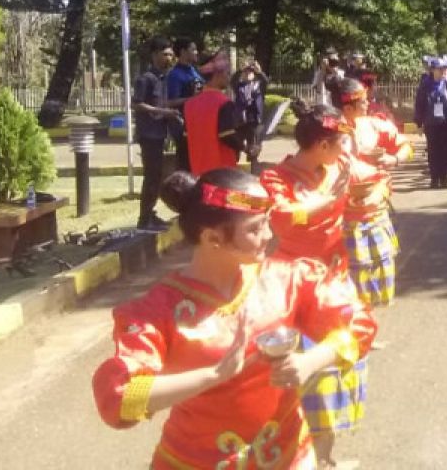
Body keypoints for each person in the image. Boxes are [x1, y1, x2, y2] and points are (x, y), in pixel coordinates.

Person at [92, 167, 376, 470]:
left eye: (267, 222)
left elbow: (358, 322)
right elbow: (118, 398)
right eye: (255, 229)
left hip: (289, 455)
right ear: (213, 238)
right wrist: (213, 375)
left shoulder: (287, 279)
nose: (269, 234)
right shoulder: (157, 311)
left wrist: (312, 360)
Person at [259, 103, 373, 470]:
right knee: (300, 384)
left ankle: (323, 458)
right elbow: (286, 219)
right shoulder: (276, 179)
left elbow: (374, 178)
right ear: (322, 145)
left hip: (336, 281)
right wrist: (329, 198)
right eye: (341, 143)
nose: (346, 150)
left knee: (337, 373)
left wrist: (368, 196)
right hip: (292, 293)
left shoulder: (338, 166)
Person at [336, 78, 413, 308]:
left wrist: (393, 159)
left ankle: (368, 322)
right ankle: (357, 322)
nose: (369, 103)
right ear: (348, 107)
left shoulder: (374, 125)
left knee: (382, 263)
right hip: (344, 215)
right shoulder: (330, 131)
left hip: (376, 209)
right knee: (351, 272)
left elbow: (406, 146)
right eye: (363, 101)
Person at [131, 37, 178, 231]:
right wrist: (162, 112)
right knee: (152, 176)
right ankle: (144, 219)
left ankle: (150, 214)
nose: (169, 58)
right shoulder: (146, 79)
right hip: (148, 134)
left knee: (157, 176)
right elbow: (136, 104)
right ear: (154, 55)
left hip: (159, 134)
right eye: (165, 54)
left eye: (170, 54)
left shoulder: (165, 79)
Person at [184, 51, 246, 176]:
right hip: (222, 169)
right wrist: (245, 147)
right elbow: (226, 135)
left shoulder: (189, 104)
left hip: (198, 168)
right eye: (227, 73)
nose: (228, 78)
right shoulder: (224, 102)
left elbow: (185, 136)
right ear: (218, 74)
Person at [414, 57, 447, 189]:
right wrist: (418, 123)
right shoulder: (425, 86)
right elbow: (419, 105)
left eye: (445, 69)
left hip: (446, 124)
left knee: (446, 152)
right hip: (431, 124)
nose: (443, 71)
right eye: (440, 69)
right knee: (433, 152)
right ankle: (434, 178)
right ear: (433, 70)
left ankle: (444, 178)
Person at [166, 38, 204, 172]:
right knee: (186, 165)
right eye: (192, 49)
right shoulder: (175, 75)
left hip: (199, 125)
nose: (196, 52)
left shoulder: (195, 71)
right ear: (182, 52)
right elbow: (170, 102)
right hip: (183, 127)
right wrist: (191, 98)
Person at [231, 59, 269, 168]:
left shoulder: (259, 86)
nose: (247, 74)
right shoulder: (238, 86)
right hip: (240, 120)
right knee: (236, 146)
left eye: (250, 72)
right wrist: (240, 70)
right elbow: (232, 81)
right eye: (245, 72)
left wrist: (259, 71)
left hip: (254, 120)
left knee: (253, 147)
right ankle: (234, 167)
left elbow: (265, 81)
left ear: (253, 75)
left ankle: (253, 169)